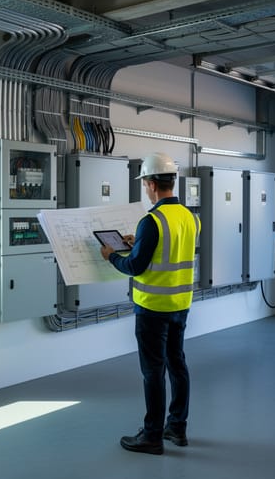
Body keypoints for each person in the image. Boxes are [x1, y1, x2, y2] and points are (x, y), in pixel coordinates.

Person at [100, 152, 200, 455]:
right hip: (180, 304)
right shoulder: (189, 216)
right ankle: (177, 428)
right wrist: (138, 243)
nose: (145, 188)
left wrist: (112, 256)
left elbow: (135, 267)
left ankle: (152, 435)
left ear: (153, 183)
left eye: (145, 183)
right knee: (177, 364)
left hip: (152, 308)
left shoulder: (152, 220)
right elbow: (166, 251)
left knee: (152, 371)